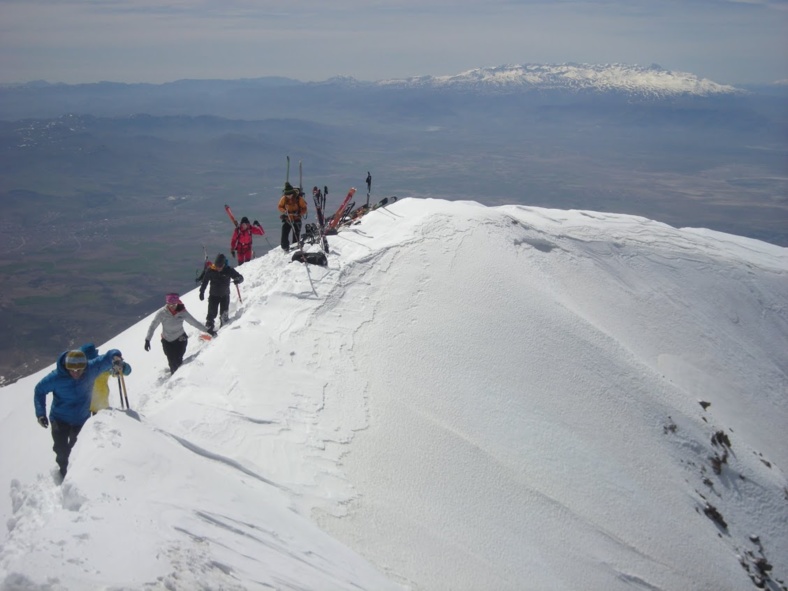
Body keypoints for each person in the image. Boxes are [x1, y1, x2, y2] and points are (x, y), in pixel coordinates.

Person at [34, 347, 128, 478]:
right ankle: (64, 473)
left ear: (85, 366)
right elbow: (39, 390)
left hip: (81, 419)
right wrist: (40, 414)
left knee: (76, 450)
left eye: (79, 370)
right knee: (61, 450)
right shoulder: (56, 377)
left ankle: (74, 476)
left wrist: (115, 355)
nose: (76, 373)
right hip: (59, 418)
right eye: (72, 370)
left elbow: (105, 359)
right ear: (66, 366)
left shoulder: (90, 370)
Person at [145, 292, 214, 374]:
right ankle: (173, 375)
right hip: (167, 341)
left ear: (177, 303)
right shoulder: (162, 313)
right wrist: (147, 339)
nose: (172, 306)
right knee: (171, 361)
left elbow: (193, 322)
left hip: (180, 339)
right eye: (170, 304)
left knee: (178, 360)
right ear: (167, 304)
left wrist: (207, 330)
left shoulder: (182, 311)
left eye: (174, 304)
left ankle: (178, 376)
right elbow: (153, 326)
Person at [80, 343, 132, 414]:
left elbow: (126, 371)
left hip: (97, 408)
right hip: (94, 407)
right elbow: (126, 371)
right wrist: (121, 366)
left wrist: (122, 366)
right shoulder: (102, 365)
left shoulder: (103, 365)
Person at [199, 254, 243, 332]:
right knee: (211, 314)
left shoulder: (229, 270)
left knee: (224, 315)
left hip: (225, 296)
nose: (218, 268)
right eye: (216, 266)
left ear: (223, 265)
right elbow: (205, 282)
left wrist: (238, 280)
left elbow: (241, 277)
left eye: (220, 266)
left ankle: (223, 331)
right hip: (213, 296)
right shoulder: (211, 270)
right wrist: (202, 292)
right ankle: (209, 328)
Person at [277, 182, 308, 251]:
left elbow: (304, 208)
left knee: (296, 233)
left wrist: (299, 213)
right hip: (288, 218)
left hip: (297, 218)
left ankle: (295, 246)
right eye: (287, 195)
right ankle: (285, 247)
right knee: (284, 232)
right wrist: (284, 211)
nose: (289, 196)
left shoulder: (299, 199)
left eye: (290, 195)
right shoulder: (284, 199)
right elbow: (280, 206)